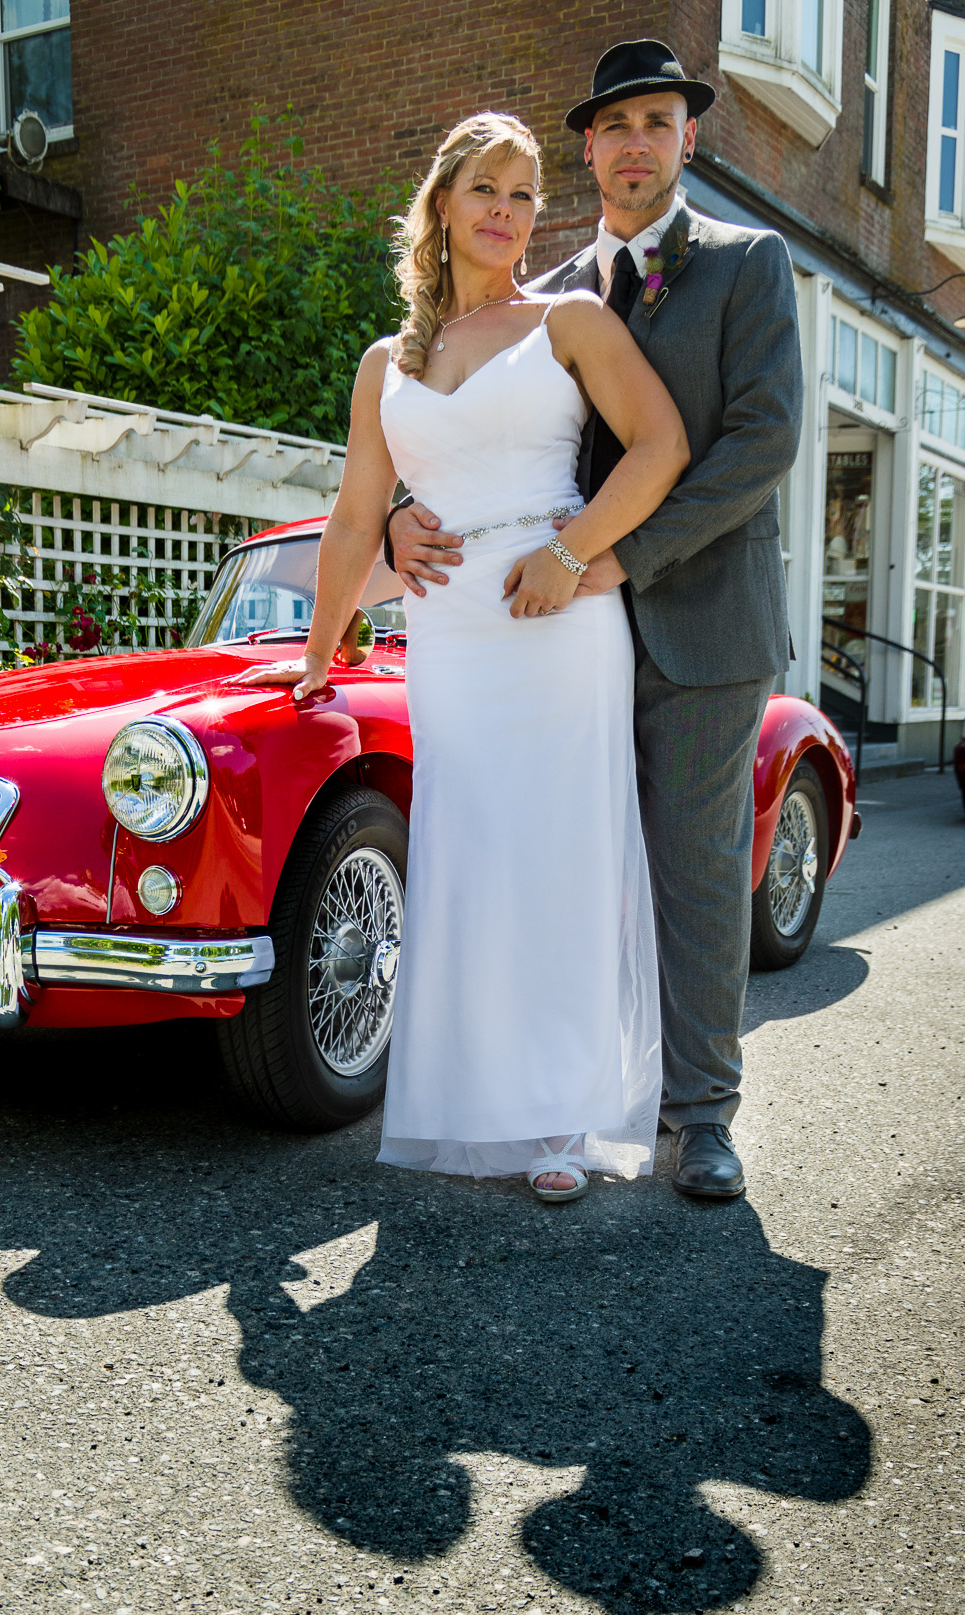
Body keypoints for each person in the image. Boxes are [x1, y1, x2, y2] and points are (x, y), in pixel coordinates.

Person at [386, 41, 803, 1201]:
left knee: (696, 871)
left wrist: (610, 557)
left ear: (686, 138)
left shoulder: (747, 263)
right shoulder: (550, 287)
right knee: (564, 865)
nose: (634, 144)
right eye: (614, 126)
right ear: (589, 147)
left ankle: (702, 1113)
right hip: (552, 638)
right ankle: (565, 1094)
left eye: (656, 122)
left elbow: (760, 443)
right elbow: (482, 446)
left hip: (698, 627)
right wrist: (392, 535)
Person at [247, 111, 688, 1203]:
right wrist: (318, 657)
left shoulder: (571, 320)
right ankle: (479, 1099)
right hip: (448, 638)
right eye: (487, 188)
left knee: (559, 860)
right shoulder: (382, 365)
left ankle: (559, 1115)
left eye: (527, 194)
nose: (506, 212)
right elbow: (355, 523)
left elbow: (662, 446)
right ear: (442, 202)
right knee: (474, 862)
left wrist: (574, 549)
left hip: (557, 621)